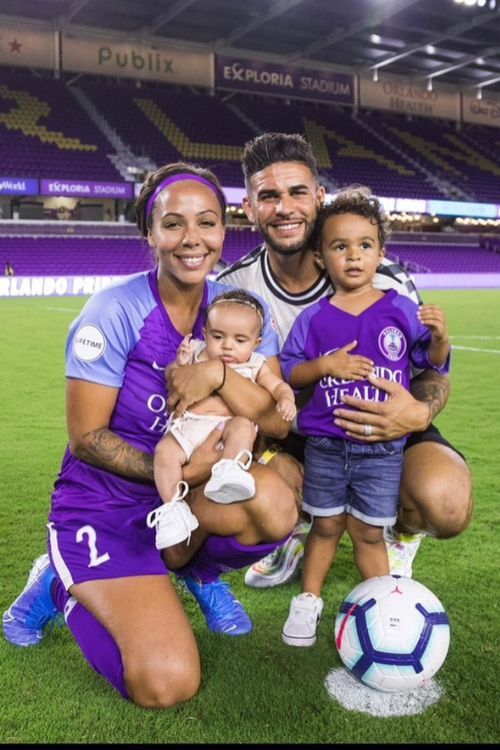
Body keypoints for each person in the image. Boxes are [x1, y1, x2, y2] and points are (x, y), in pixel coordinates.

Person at [2, 162, 298, 709]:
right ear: (150, 232)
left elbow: (279, 422)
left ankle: (194, 569)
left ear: (223, 231)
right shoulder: (114, 310)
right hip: (105, 506)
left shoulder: (237, 312)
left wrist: (216, 374)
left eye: (207, 223)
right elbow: (87, 437)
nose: (193, 239)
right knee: (166, 683)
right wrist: (182, 475)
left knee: (278, 501)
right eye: (173, 224)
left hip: (184, 499)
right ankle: (57, 583)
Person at [216, 132, 472, 585]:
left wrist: (417, 411)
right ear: (251, 208)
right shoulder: (235, 289)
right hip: (294, 432)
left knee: (446, 502)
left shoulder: (386, 280)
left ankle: (397, 535)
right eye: (268, 196)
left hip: (384, 419)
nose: (285, 207)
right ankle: (293, 529)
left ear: (318, 196)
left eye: (297, 192)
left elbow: (430, 369)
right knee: (248, 465)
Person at [279, 186, 451, 646]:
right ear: (320, 259)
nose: (353, 256)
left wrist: (439, 339)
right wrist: (325, 367)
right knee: (326, 526)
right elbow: (290, 372)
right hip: (327, 447)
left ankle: (383, 607)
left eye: (364, 246)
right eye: (339, 246)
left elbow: (431, 365)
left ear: (380, 253)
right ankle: (308, 602)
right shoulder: (313, 319)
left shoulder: (400, 310)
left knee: (369, 534)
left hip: (382, 450)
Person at [151, 288, 296, 548]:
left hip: (225, 428)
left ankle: (229, 470)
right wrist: (180, 363)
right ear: (204, 334)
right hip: (189, 426)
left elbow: (277, 387)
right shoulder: (197, 352)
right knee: (164, 452)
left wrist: (287, 399)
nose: (228, 346)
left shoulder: (255, 364)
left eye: (240, 340)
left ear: (257, 342)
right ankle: (172, 509)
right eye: (218, 337)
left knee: (243, 425)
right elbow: (174, 378)